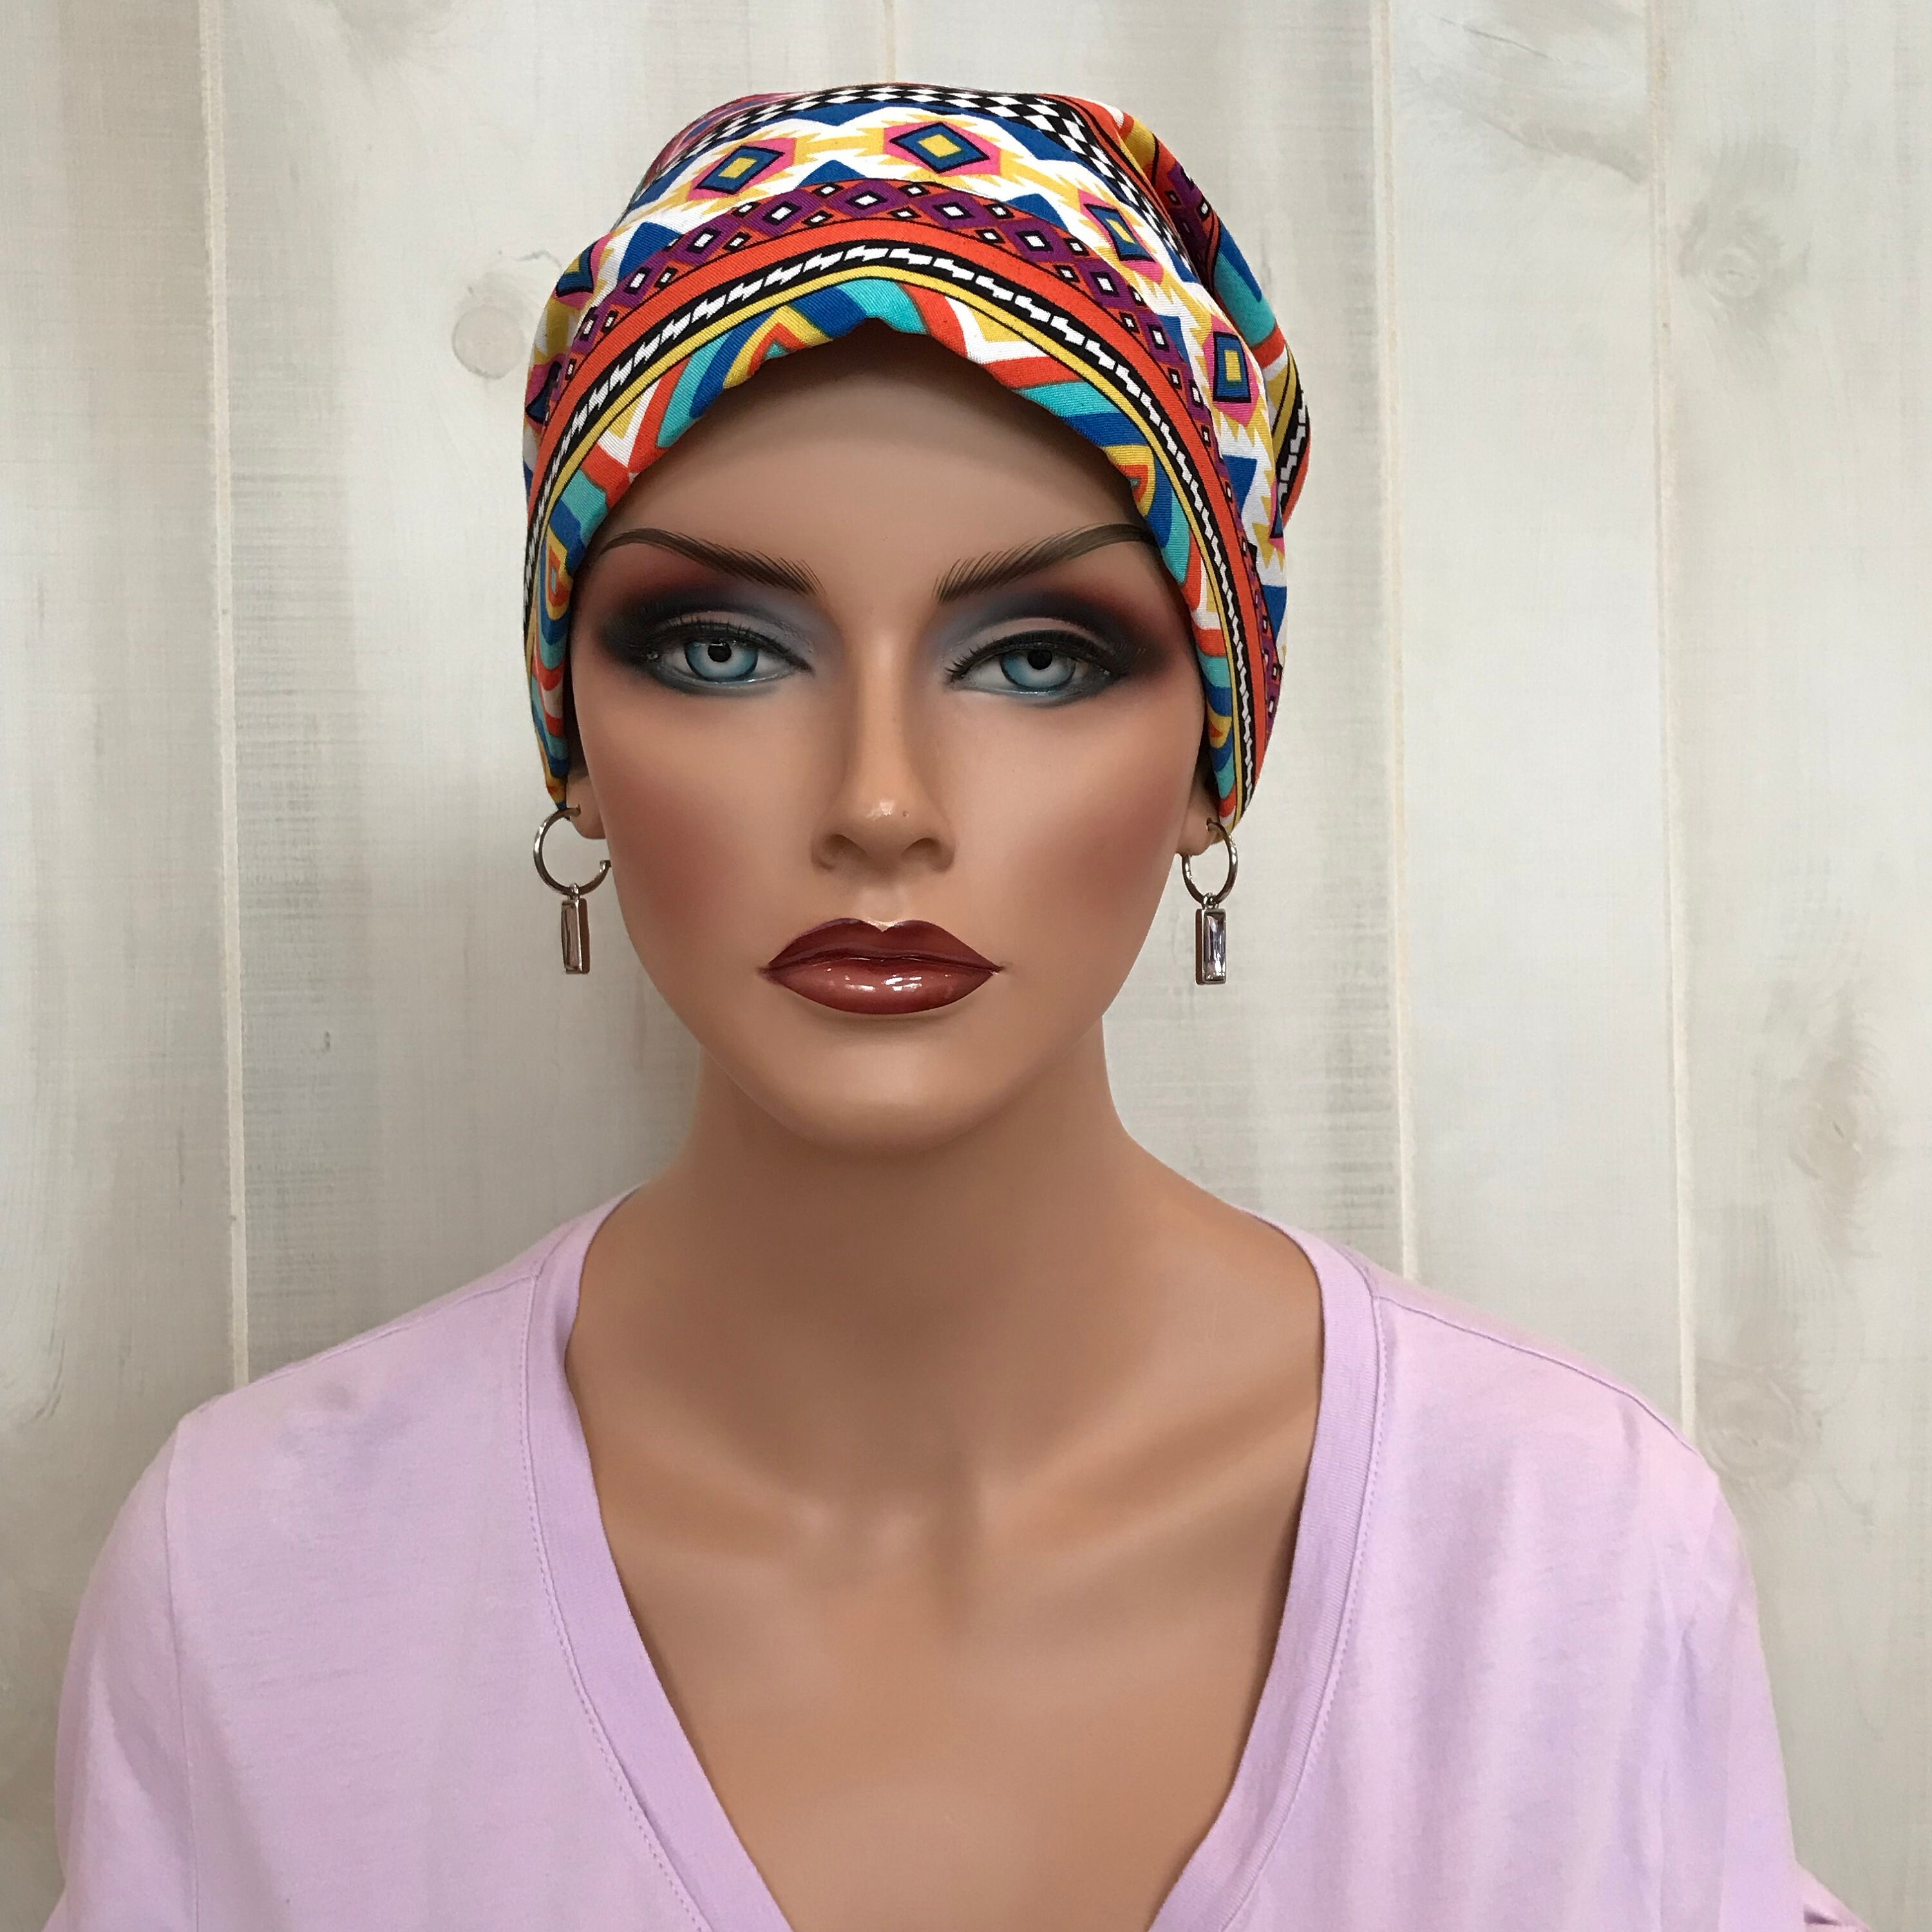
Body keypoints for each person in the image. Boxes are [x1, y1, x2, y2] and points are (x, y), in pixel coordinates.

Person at [46, 84, 1862, 1931]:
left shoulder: (1569, 1567)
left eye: (1040, 658)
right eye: (723, 648)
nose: (881, 800)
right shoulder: (258, 1587)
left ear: (1214, 760)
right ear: (573, 738)